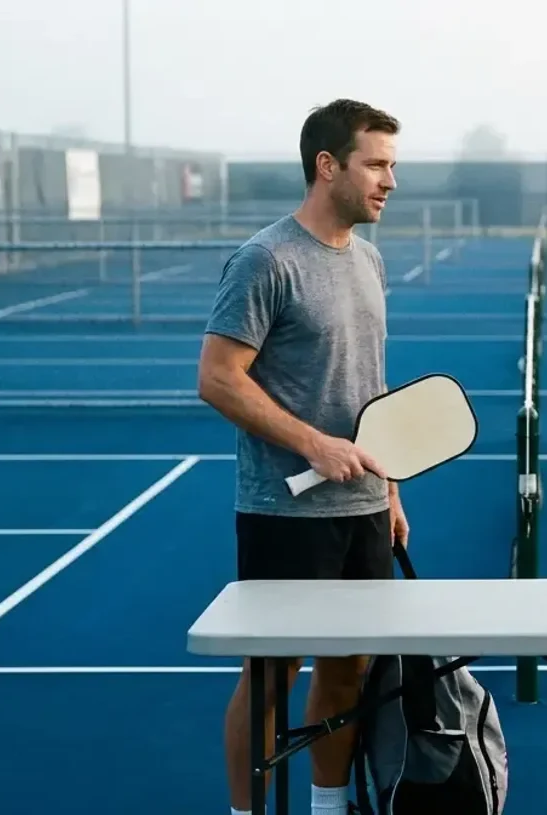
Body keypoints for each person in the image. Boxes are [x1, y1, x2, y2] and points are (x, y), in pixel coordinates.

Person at [196, 98, 408, 815]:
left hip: (365, 507)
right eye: (376, 163)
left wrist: (393, 489)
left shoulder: (371, 259)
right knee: (271, 673)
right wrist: (311, 442)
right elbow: (218, 377)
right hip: (284, 510)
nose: (389, 180)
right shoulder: (265, 259)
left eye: (392, 165)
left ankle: (326, 804)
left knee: (349, 664)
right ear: (328, 166)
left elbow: (370, 386)